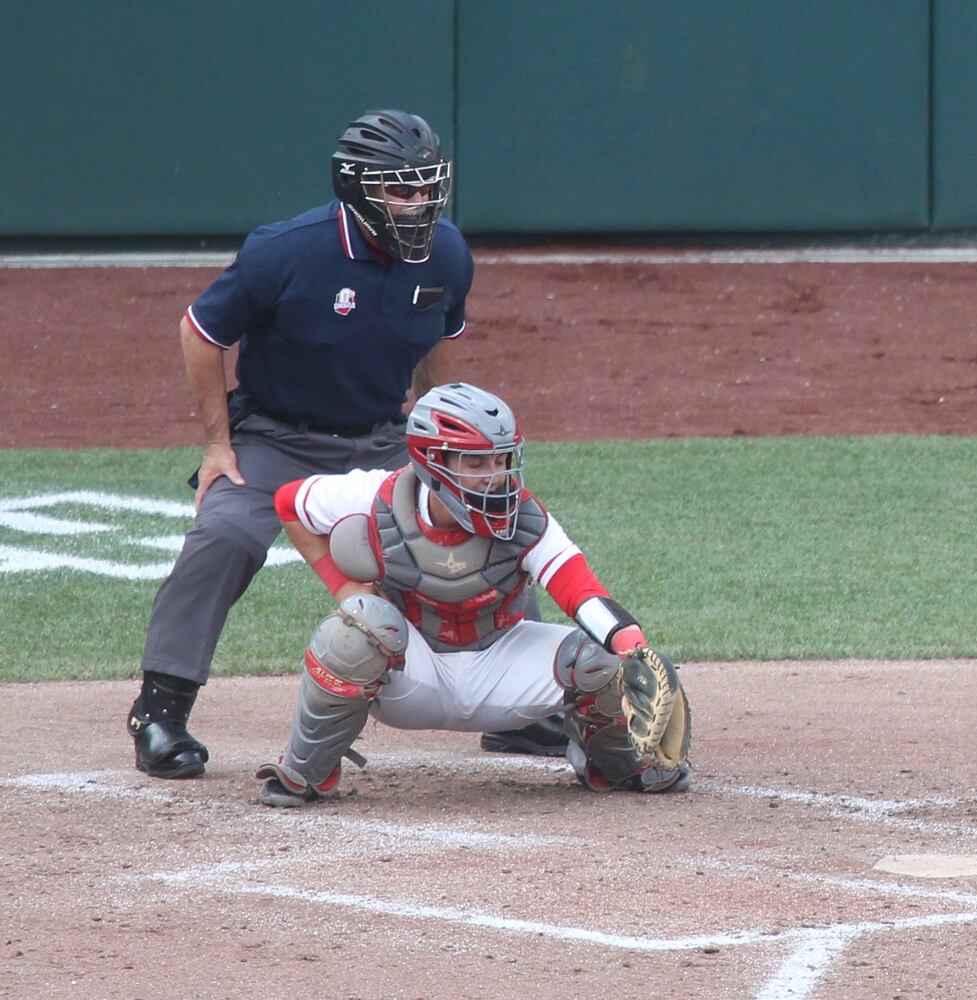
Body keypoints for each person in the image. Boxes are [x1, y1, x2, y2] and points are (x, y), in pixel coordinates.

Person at [126, 109, 564, 782]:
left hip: (385, 436)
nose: (418, 204)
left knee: (486, 515)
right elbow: (200, 331)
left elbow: (441, 336)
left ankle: (520, 713)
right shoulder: (286, 250)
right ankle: (161, 710)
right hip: (276, 435)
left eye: (425, 188)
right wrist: (219, 445)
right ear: (357, 188)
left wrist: (434, 415)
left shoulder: (446, 251)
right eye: (400, 189)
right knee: (226, 535)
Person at [255, 382, 692, 806]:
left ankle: (621, 766)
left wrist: (634, 649)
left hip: (501, 668)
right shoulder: (375, 496)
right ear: (433, 460)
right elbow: (289, 503)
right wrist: (346, 589)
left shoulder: (525, 516)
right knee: (354, 629)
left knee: (606, 662)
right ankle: (305, 770)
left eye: (502, 461)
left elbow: (580, 590)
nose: (495, 476)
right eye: (477, 464)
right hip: (412, 675)